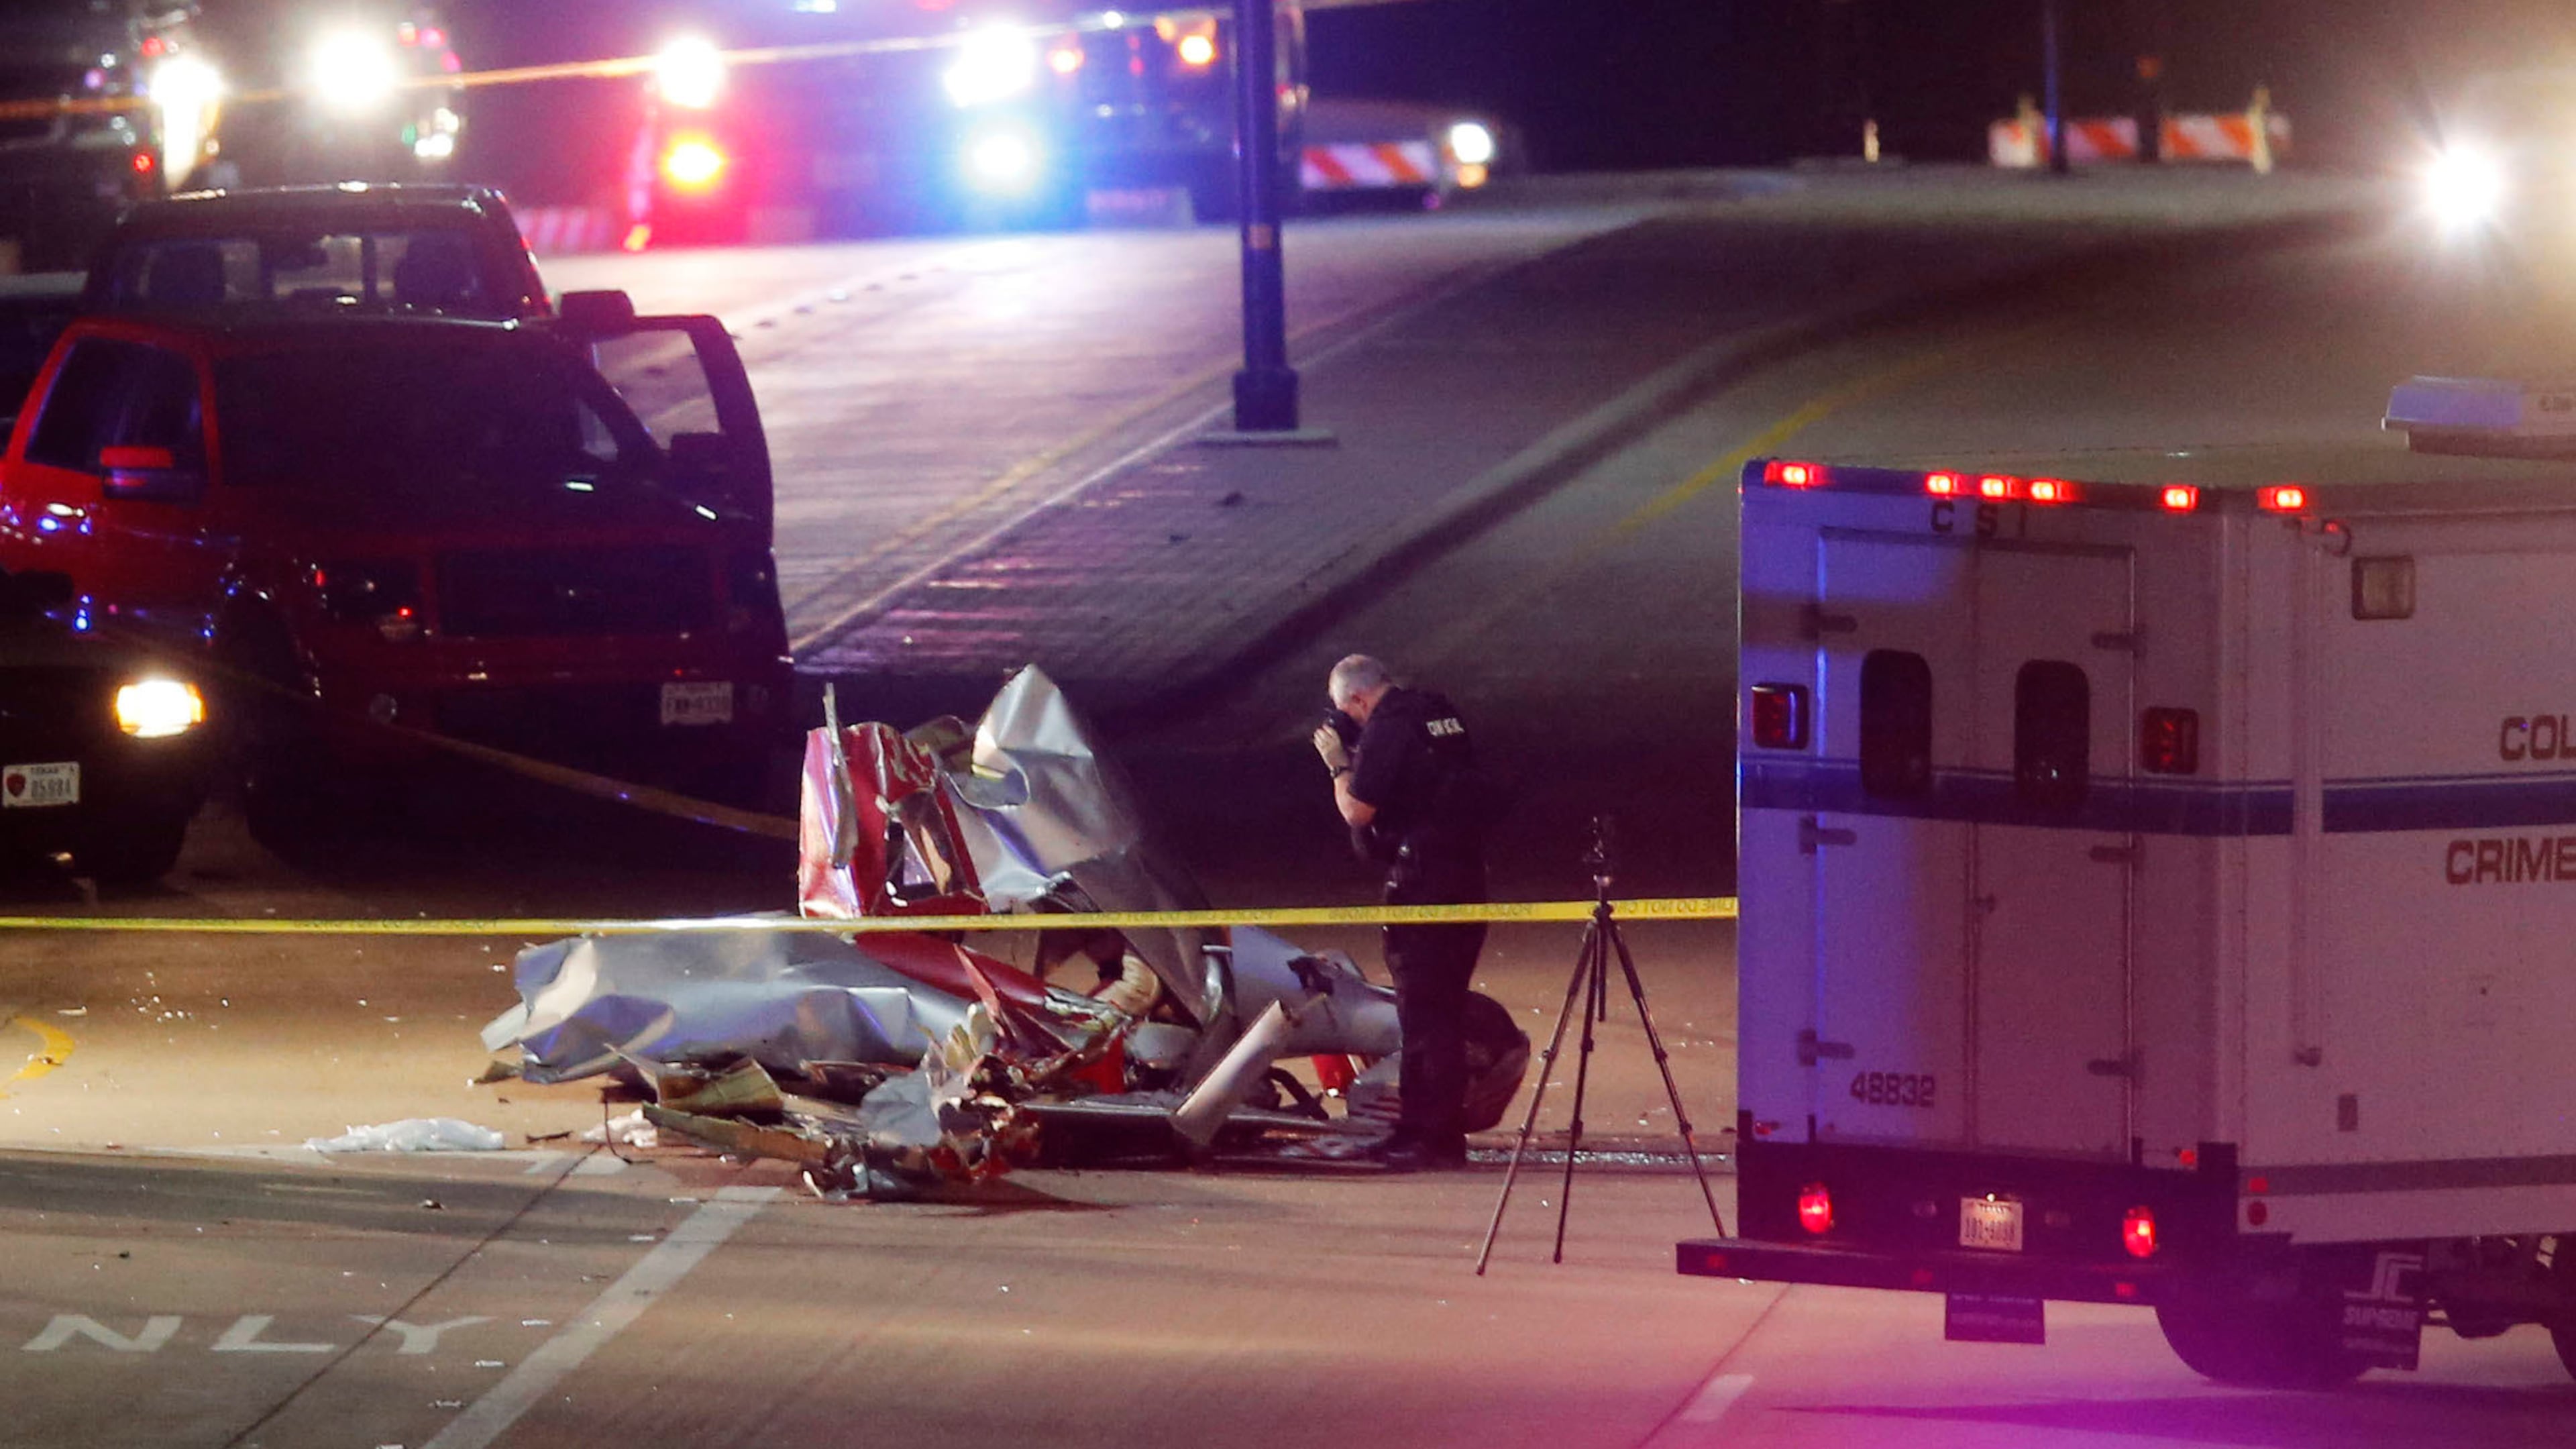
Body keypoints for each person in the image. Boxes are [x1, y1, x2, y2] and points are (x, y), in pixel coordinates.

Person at [1311, 654, 1487, 1171]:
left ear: (1358, 700)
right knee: (1444, 1014)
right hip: (1466, 877)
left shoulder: (1389, 727)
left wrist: (1339, 764)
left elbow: (1357, 810)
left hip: (1423, 884)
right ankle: (1438, 1133)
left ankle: (1427, 1138)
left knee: (1423, 1015)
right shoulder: (1438, 713)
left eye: (1350, 712)